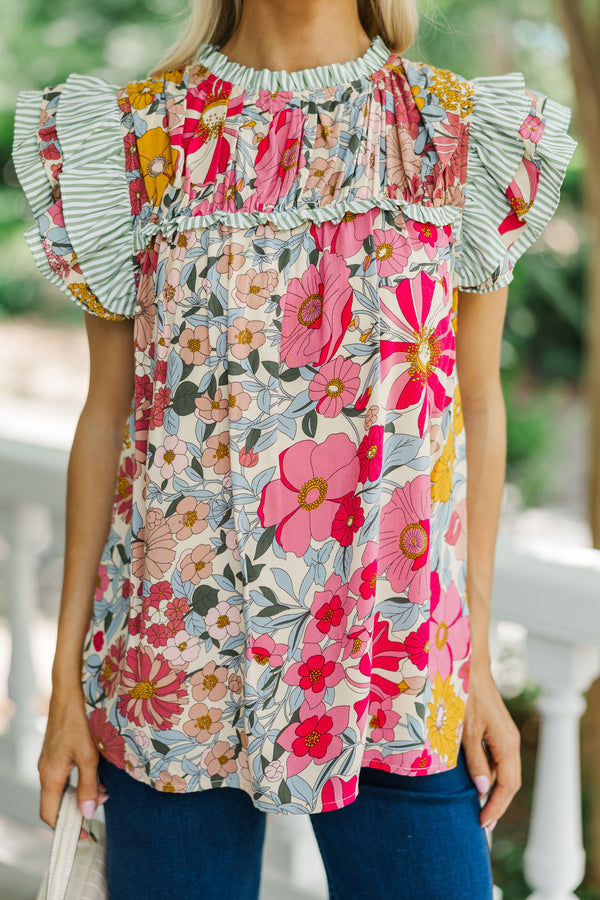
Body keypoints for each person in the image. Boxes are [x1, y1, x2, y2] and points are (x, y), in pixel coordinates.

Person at [12, 0, 576, 897]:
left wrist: (470, 667)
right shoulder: (135, 138)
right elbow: (108, 417)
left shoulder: (457, 133)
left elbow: (475, 406)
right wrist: (66, 688)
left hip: (395, 657)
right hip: (173, 659)